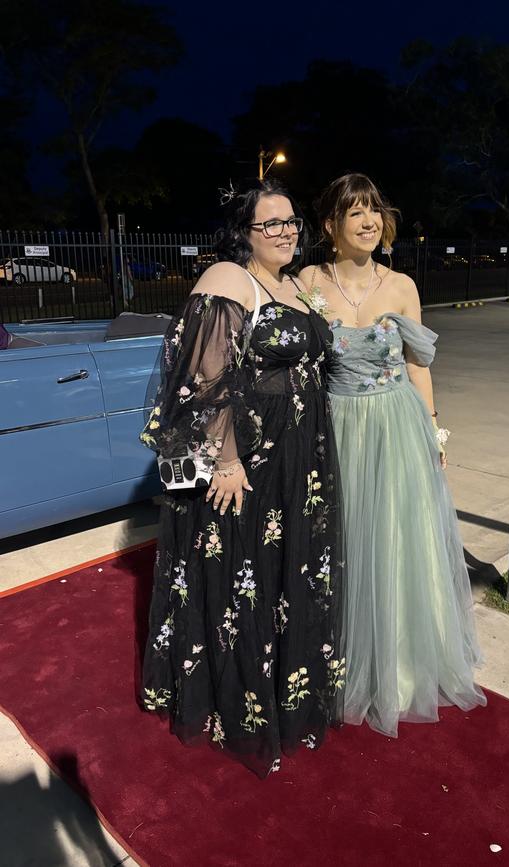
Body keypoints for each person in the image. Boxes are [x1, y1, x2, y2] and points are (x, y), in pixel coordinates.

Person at [140, 180, 345, 777]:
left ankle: (288, 686)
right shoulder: (229, 279)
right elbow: (208, 377)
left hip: (300, 457)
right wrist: (224, 459)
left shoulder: (295, 285)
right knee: (244, 570)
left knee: (287, 570)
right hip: (251, 460)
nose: (285, 232)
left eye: (290, 222)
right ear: (244, 233)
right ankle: (242, 705)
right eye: (270, 224)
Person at [300, 173, 485, 737]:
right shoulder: (307, 280)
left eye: (374, 208)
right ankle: (346, 660)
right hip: (337, 427)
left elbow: (418, 365)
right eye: (354, 211)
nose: (368, 219)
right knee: (348, 542)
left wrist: (433, 431)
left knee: (400, 540)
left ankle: (402, 667)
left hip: (395, 423)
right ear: (331, 225)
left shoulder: (402, 284)